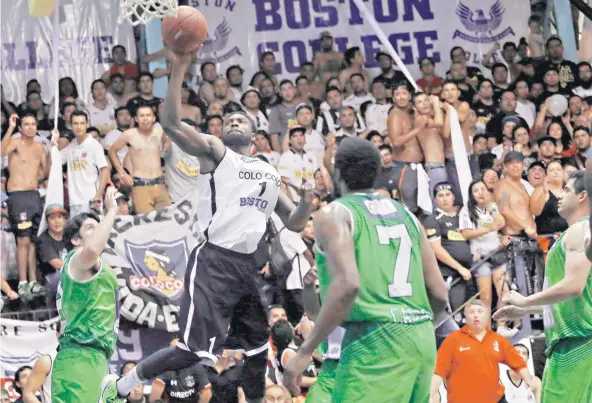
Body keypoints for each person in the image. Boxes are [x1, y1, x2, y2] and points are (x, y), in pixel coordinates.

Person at [104, 50, 315, 403]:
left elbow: (294, 222)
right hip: (213, 260)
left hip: (247, 266)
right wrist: (180, 67)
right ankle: (120, 386)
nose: (232, 121)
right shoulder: (216, 152)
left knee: (259, 344)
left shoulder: (268, 171)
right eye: (227, 118)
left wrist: (307, 202)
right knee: (189, 351)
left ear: (255, 132)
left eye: (239, 119)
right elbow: (170, 122)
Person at [282, 137, 449, 401]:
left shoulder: (334, 214)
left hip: (373, 341)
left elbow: (348, 285)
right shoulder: (408, 216)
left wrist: (304, 352)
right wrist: (413, 324)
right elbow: (439, 293)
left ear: (336, 172)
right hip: (421, 336)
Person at [494, 171, 592, 403]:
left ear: (583, 196)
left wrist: (527, 302)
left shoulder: (581, 229)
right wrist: (526, 310)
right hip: (572, 342)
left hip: (580, 343)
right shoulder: (573, 233)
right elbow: (569, 294)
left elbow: (573, 287)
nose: (560, 194)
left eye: (567, 189)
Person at [51, 187, 120, 403]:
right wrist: (112, 212)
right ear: (75, 239)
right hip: (83, 359)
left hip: (80, 358)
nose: (98, 231)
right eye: (91, 227)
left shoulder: (84, 271)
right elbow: (91, 250)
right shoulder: (80, 258)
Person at [430, 299, 535, 403]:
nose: (476, 315)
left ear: (486, 316)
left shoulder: (497, 340)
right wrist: (431, 393)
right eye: (471, 312)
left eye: (480, 311)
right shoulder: (453, 340)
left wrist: (527, 379)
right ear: (466, 317)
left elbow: (517, 362)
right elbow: (439, 370)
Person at [0, 113, 49, 300]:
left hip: (34, 195)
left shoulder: (39, 146)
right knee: (22, 241)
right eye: (26, 124)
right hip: (18, 195)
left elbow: (46, 172)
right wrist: (10, 128)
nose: (30, 127)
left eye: (33, 124)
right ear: (21, 128)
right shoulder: (15, 142)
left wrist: (51, 150)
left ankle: (33, 281)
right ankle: (22, 283)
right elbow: (1, 152)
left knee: (33, 241)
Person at [108, 105, 172, 213]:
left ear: (153, 118)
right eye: (142, 116)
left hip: (160, 184)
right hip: (141, 186)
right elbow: (111, 151)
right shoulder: (129, 134)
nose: (145, 118)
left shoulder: (160, 132)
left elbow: (168, 144)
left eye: (148, 115)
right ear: (136, 119)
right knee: (146, 225)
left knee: (167, 222)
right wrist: (122, 172)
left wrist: (163, 152)